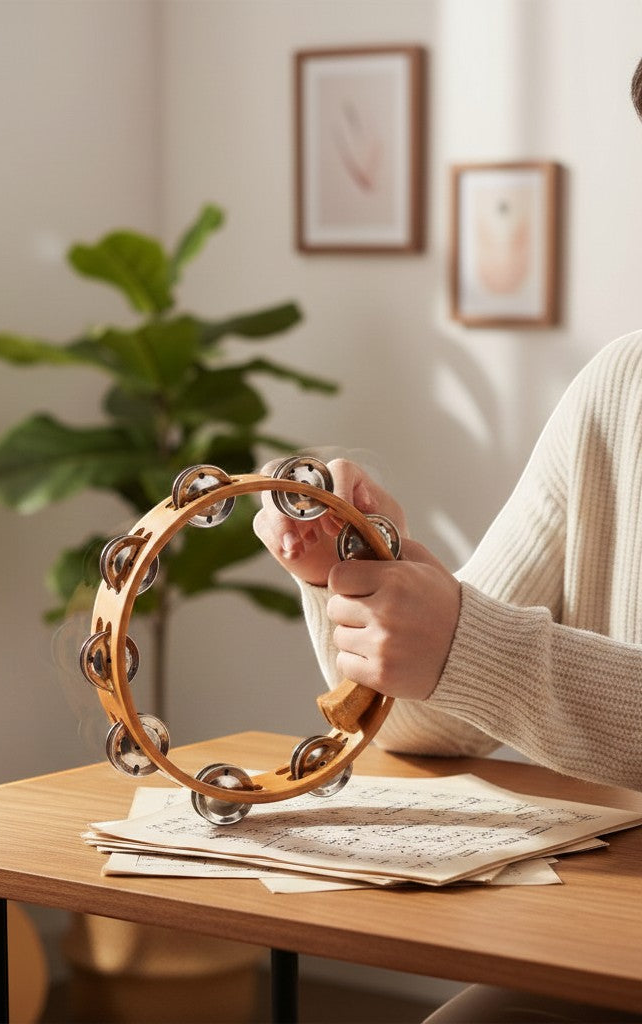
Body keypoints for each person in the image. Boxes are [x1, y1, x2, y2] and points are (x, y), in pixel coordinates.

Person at [251, 57, 642, 1024]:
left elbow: (487, 658)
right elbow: (437, 721)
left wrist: (472, 644)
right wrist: (361, 578)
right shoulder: (621, 386)